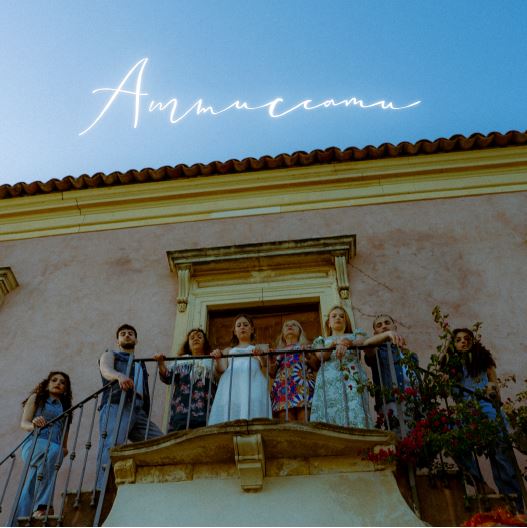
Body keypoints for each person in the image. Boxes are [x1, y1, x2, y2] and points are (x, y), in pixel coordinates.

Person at [440, 328, 523, 511]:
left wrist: (492, 389)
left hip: (488, 410)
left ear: (473, 341)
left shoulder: (483, 360)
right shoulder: (451, 368)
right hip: (466, 413)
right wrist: (445, 379)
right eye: (458, 340)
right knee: (452, 438)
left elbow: (495, 387)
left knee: (501, 457)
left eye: (467, 338)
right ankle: (479, 483)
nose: (463, 342)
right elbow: (445, 393)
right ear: (453, 345)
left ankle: (515, 507)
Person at [97, 324, 162, 489]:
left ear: (136, 340)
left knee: (159, 442)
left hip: (138, 409)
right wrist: (119, 376)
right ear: (117, 341)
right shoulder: (110, 354)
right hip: (117, 403)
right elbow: (105, 369)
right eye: (123, 334)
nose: (127, 335)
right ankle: (102, 490)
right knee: (112, 445)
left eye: (131, 333)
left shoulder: (140, 363)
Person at [17, 372, 72, 520]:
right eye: (54, 380)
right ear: (47, 384)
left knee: (33, 481)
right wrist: (34, 424)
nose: (58, 383)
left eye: (62, 382)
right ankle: (43, 506)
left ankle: (19, 519)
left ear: (65, 389)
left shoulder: (66, 410)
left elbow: (64, 442)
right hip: (34, 444)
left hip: (53, 452)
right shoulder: (36, 398)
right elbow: (24, 423)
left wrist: (62, 452)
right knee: (54, 449)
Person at [310, 305, 371, 428]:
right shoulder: (322, 340)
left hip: (352, 376)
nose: (338, 318)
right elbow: (321, 356)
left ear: (346, 322)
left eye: (342, 316)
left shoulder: (355, 335)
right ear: (329, 323)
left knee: (355, 403)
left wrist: (348, 342)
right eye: (334, 316)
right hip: (328, 380)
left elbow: (363, 342)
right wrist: (334, 344)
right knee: (329, 407)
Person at [208, 314, 272, 424]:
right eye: (239, 325)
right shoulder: (228, 350)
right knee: (232, 410)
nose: (242, 327)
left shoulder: (257, 349)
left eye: (246, 325)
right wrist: (217, 359)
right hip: (232, 386)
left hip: (253, 383)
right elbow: (221, 368)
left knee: (252, 409)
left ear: (252, 329)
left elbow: (264, 364)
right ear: (234, 331)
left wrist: (260, 355)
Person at [153, 328, 217, 431]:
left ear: (205, 343)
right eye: (192, 338)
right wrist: (161, 363)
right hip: (182, 410)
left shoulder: (211, 362)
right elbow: (167, 377)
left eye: (199, 337)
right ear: (188, 344)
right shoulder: (180, 361)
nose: (196, 339)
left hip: (205, 408)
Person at [363, 314, 417, 433]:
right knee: (399, 437)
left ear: (395, 327)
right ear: (375, 333)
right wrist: (387, 335)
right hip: (392, 401)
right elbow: (366, 345)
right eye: (379, 325)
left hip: (415, 401)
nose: (384, 326)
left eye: (387, 323)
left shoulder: (409, 355)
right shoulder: (378, 352)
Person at [269, 320, 318, 422]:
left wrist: (307, 354)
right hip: (283, 390)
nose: (290, 326)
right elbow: (271, 373)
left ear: (300, 331)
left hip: (304, 387)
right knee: (286, 422)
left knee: (304, 420)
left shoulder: (308, 347)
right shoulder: (278, 351)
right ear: (283, 334)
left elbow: (316, 366)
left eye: (294, 325)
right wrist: (270, 359)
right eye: (286, 325)